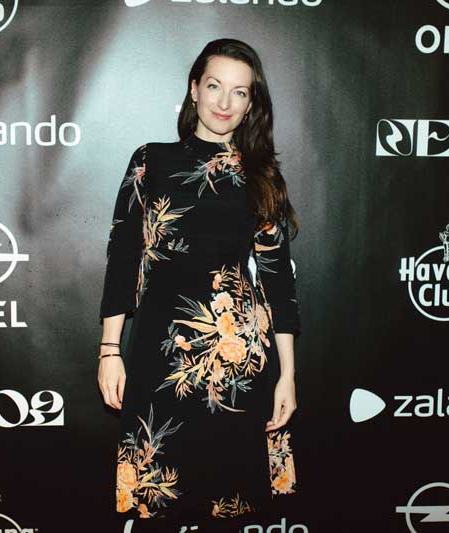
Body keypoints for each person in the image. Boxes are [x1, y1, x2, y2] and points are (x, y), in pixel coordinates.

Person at [98, 38, 301, 531]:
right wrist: (109, 349)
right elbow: (123, 257)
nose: (224, 102)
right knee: (160, 502)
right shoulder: (151, 161)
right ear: (194, 89)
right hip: (160, 355)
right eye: (214, 86)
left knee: (227, 507)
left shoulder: (261, 175)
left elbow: (278, 281)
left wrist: (288, 375)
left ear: (251, 104)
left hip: (236, 363)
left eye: (239, 92)